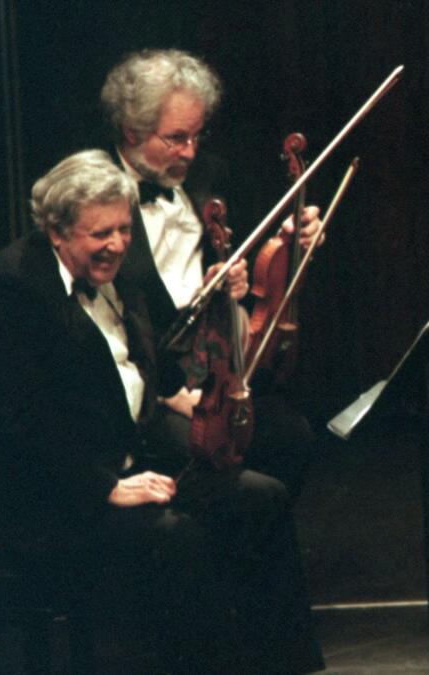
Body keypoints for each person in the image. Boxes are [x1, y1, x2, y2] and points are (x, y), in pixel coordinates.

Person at [0, 150, 324, 674]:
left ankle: (285, 665)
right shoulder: (11, 287)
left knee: (261, 498)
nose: (115, 244)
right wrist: (103, 486)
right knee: (175, 536)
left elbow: (171, 343)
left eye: (123, 229)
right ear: (56, 231)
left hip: (132, 451)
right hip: (54, 489)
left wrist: (219, 296)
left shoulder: (125, 267)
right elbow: (23, 422)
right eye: (99, 234)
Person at [102, 48, 319, 499]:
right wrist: (168, 392)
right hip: (151, 389)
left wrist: (293, 236)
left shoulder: (207, 175)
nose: (190, 151)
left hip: (215, 371)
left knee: (292, 436)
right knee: (232, 479)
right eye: (175, 138)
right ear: (131, 131)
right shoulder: (97, 198)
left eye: (197, 135)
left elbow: (255, 249)